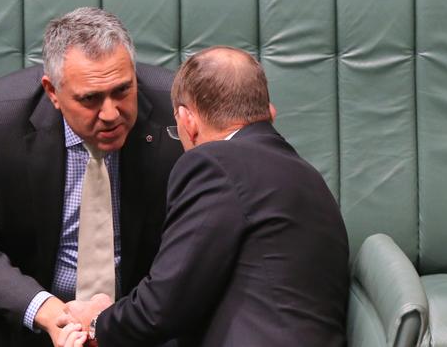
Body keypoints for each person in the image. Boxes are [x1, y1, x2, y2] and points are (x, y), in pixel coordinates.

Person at [58, 46, 350, 347]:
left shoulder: (214, 163)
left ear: (188, 121)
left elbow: (163, 306)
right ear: (268, 112)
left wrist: (96, 324)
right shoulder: (307, 176)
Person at [0, 7, 183, 347]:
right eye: (90, 99)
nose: (111, 114)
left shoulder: (177, 107)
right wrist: (47, 311)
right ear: (52, 92)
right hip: (28, 303)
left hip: (140, 305)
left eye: (122, 90)